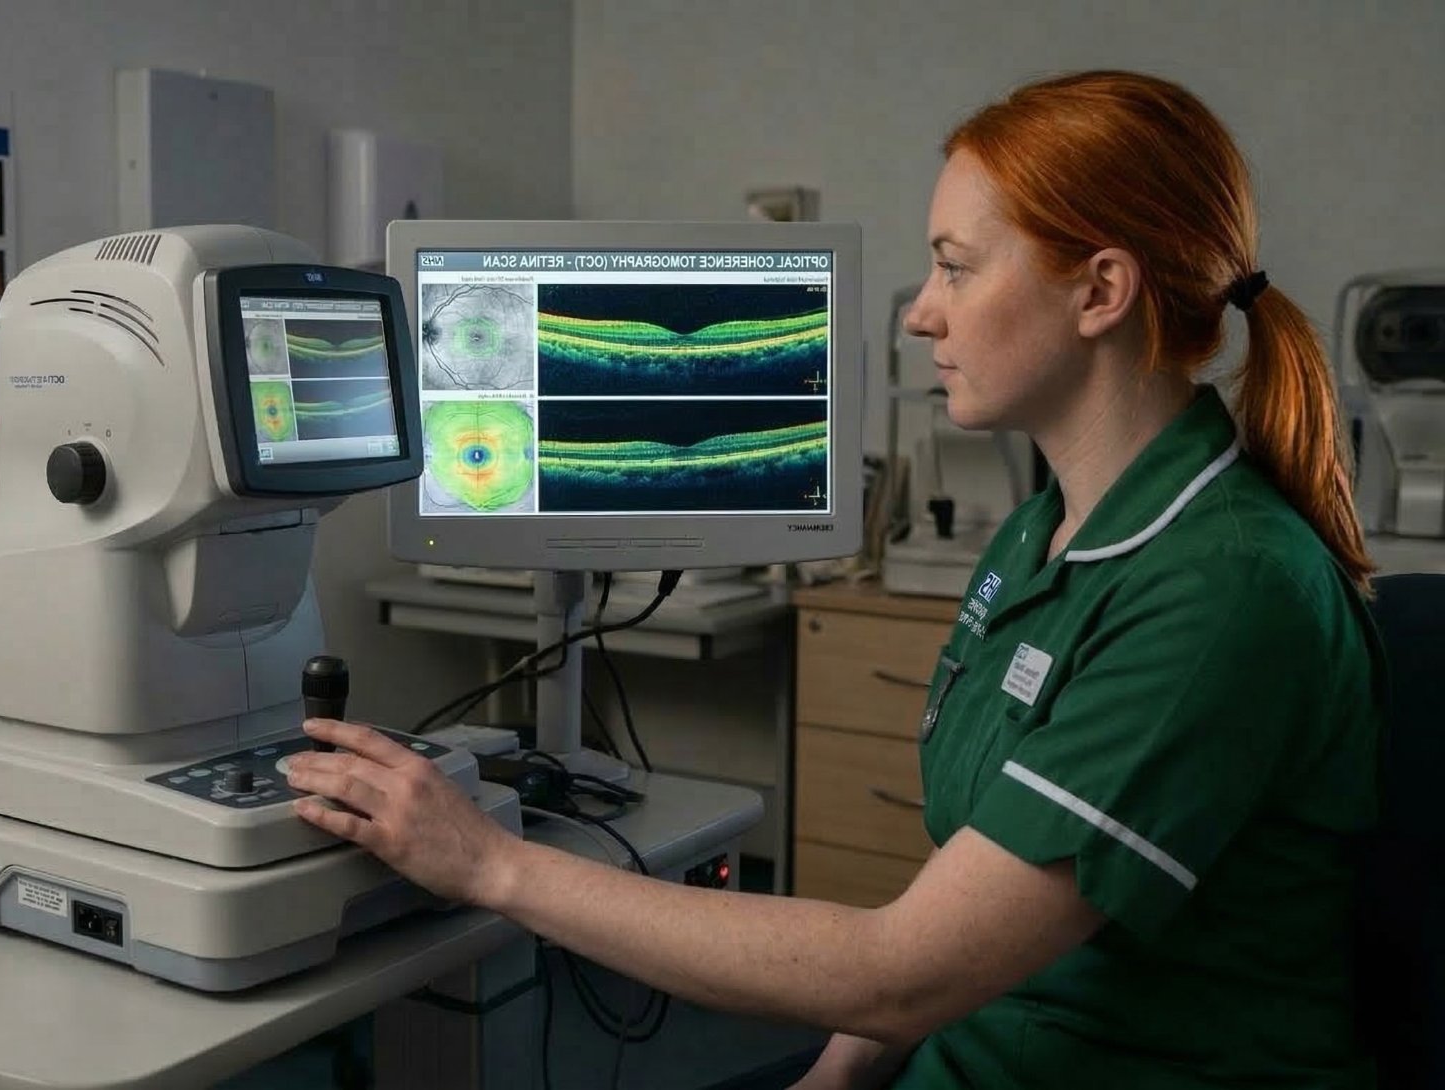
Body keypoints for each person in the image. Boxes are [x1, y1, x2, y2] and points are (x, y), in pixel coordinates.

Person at [284, 70, 1384, 1089]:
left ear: (1099, 291)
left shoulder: (1222, 591)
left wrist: (489, 863)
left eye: (955, 266)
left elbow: (902, 970)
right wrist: (837, 1074)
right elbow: (961, 904)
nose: (920, 311)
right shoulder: (1043, 532)